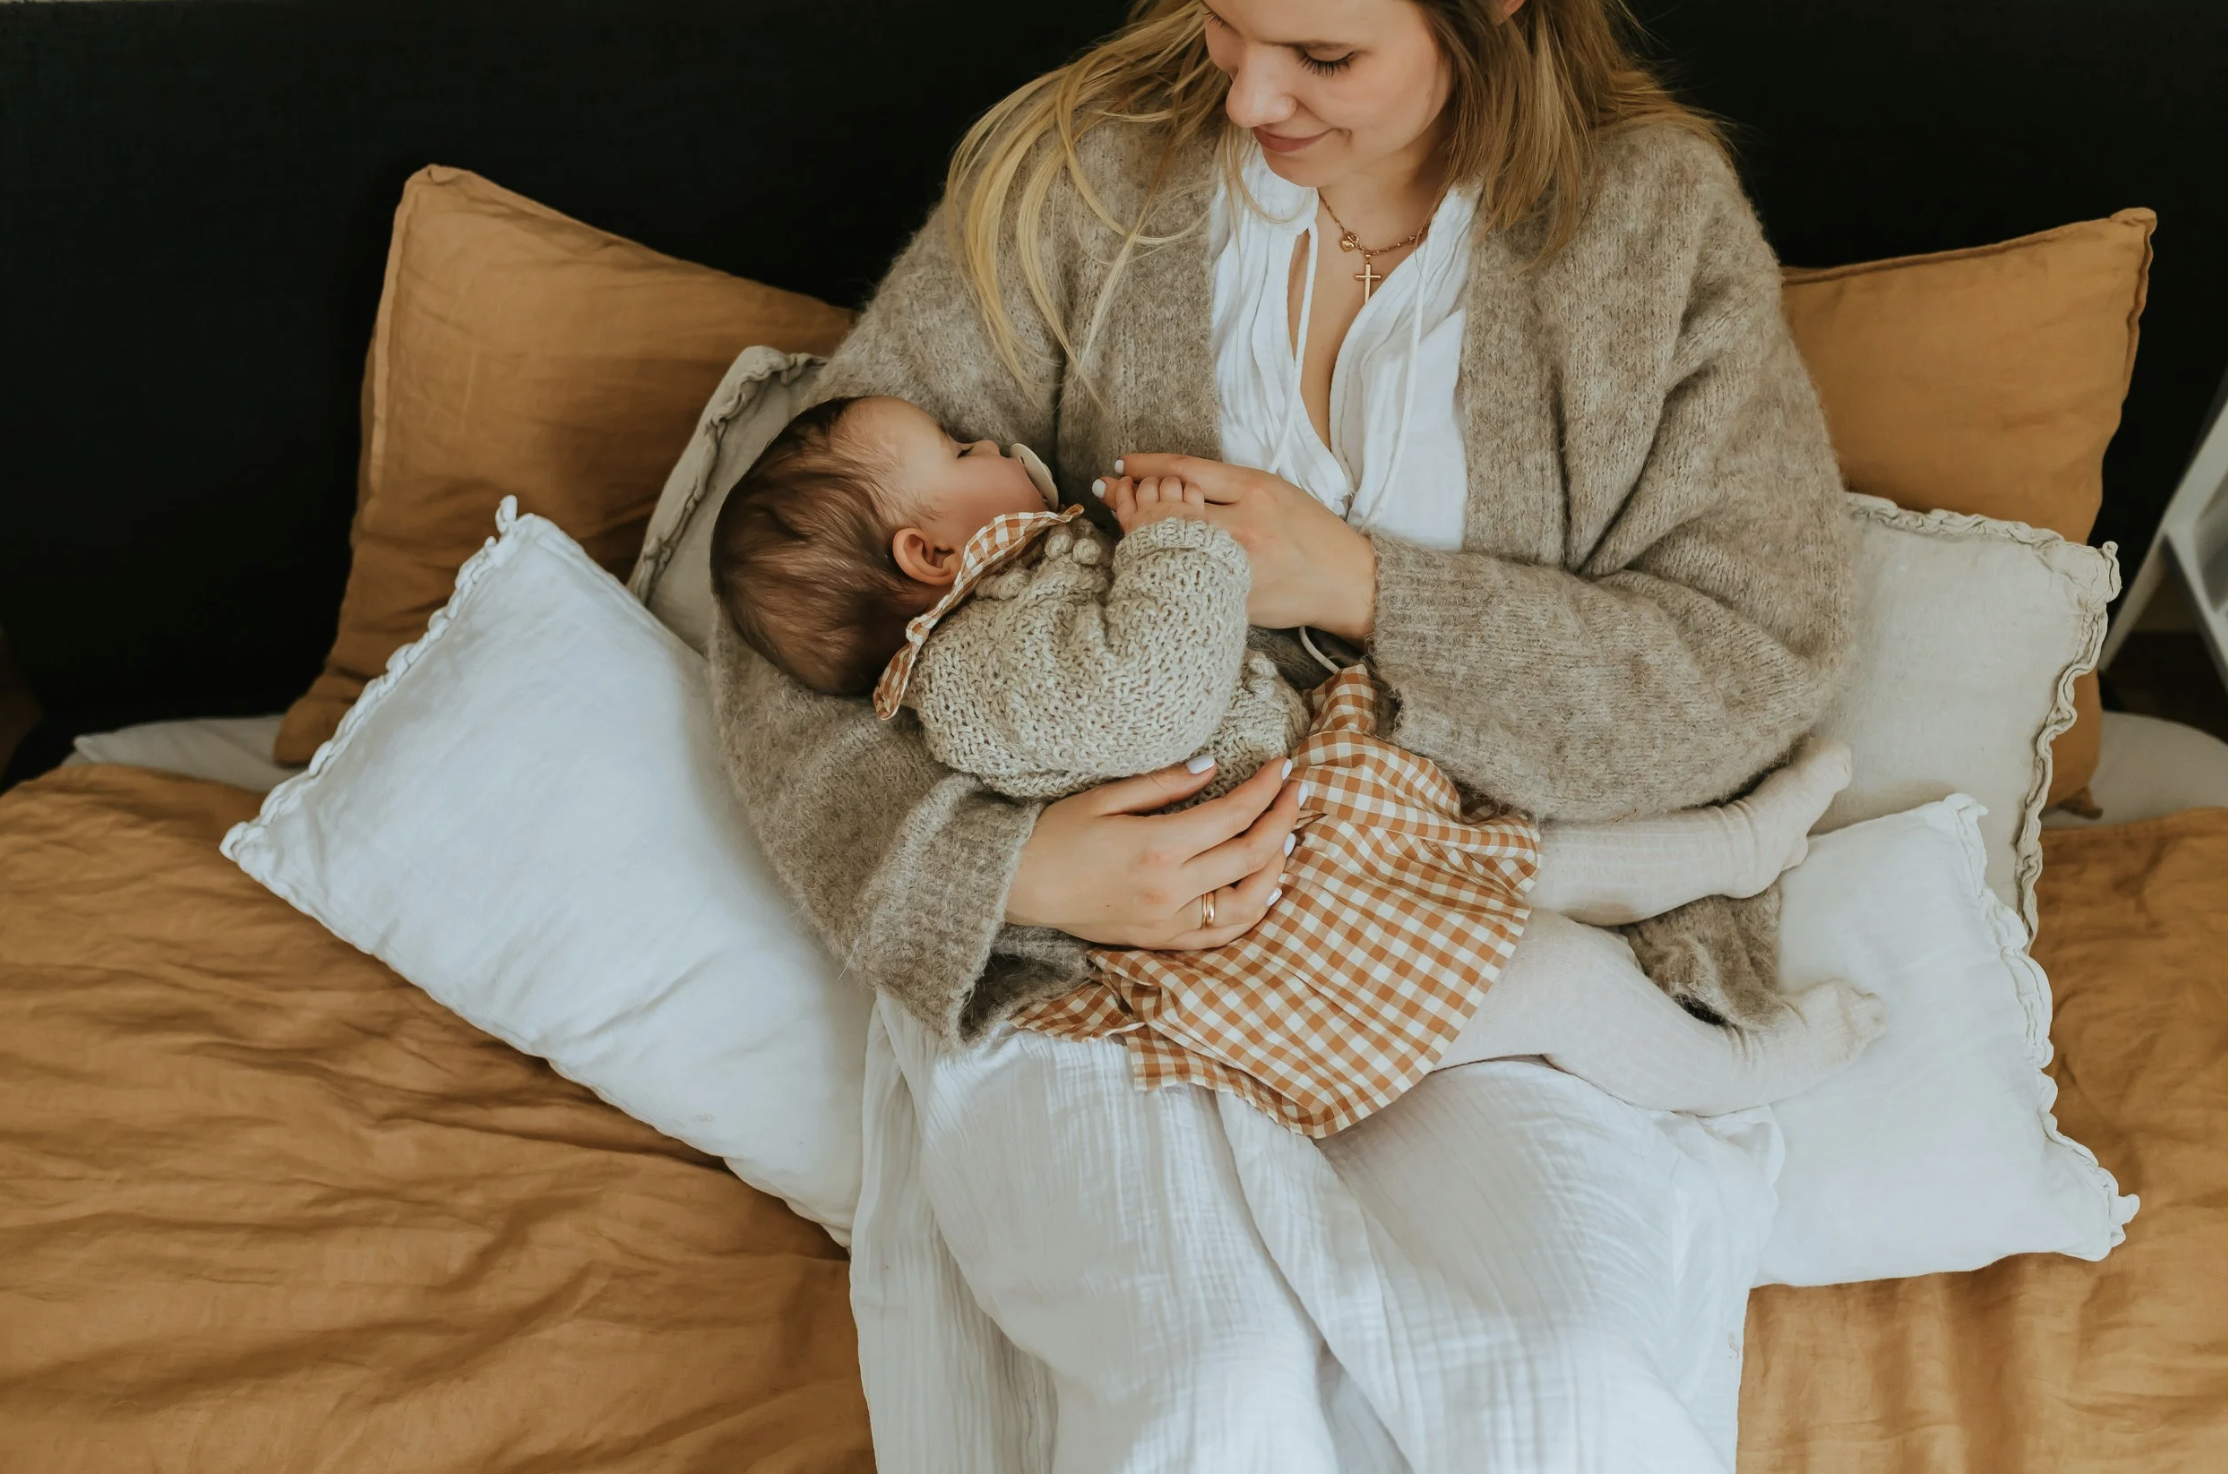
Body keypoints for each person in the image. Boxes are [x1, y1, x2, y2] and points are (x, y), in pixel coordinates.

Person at [709, 0, 1855, 1465]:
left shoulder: (1647, 230)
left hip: (1449, 945)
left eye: (1322, 56)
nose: (1249, 98)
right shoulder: (1088, 180)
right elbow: (797, 614)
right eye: (1221, 21)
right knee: (1207, 1392)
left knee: (1564, 1390)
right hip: (1101, 986)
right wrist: (1003, 869)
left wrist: (1371, 589)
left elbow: (1760, 655)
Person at [710, 391, 1877, 1134]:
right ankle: (1740, 1071)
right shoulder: (974, 677)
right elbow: (1153, 693)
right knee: (1558, 974)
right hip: (1284, 925)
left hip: (1322, 821)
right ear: (929, 551)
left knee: (1531, 856)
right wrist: (1175, 543)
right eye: (962, 447)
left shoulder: (1011, 595)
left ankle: (1740, 842)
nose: (997, 439)